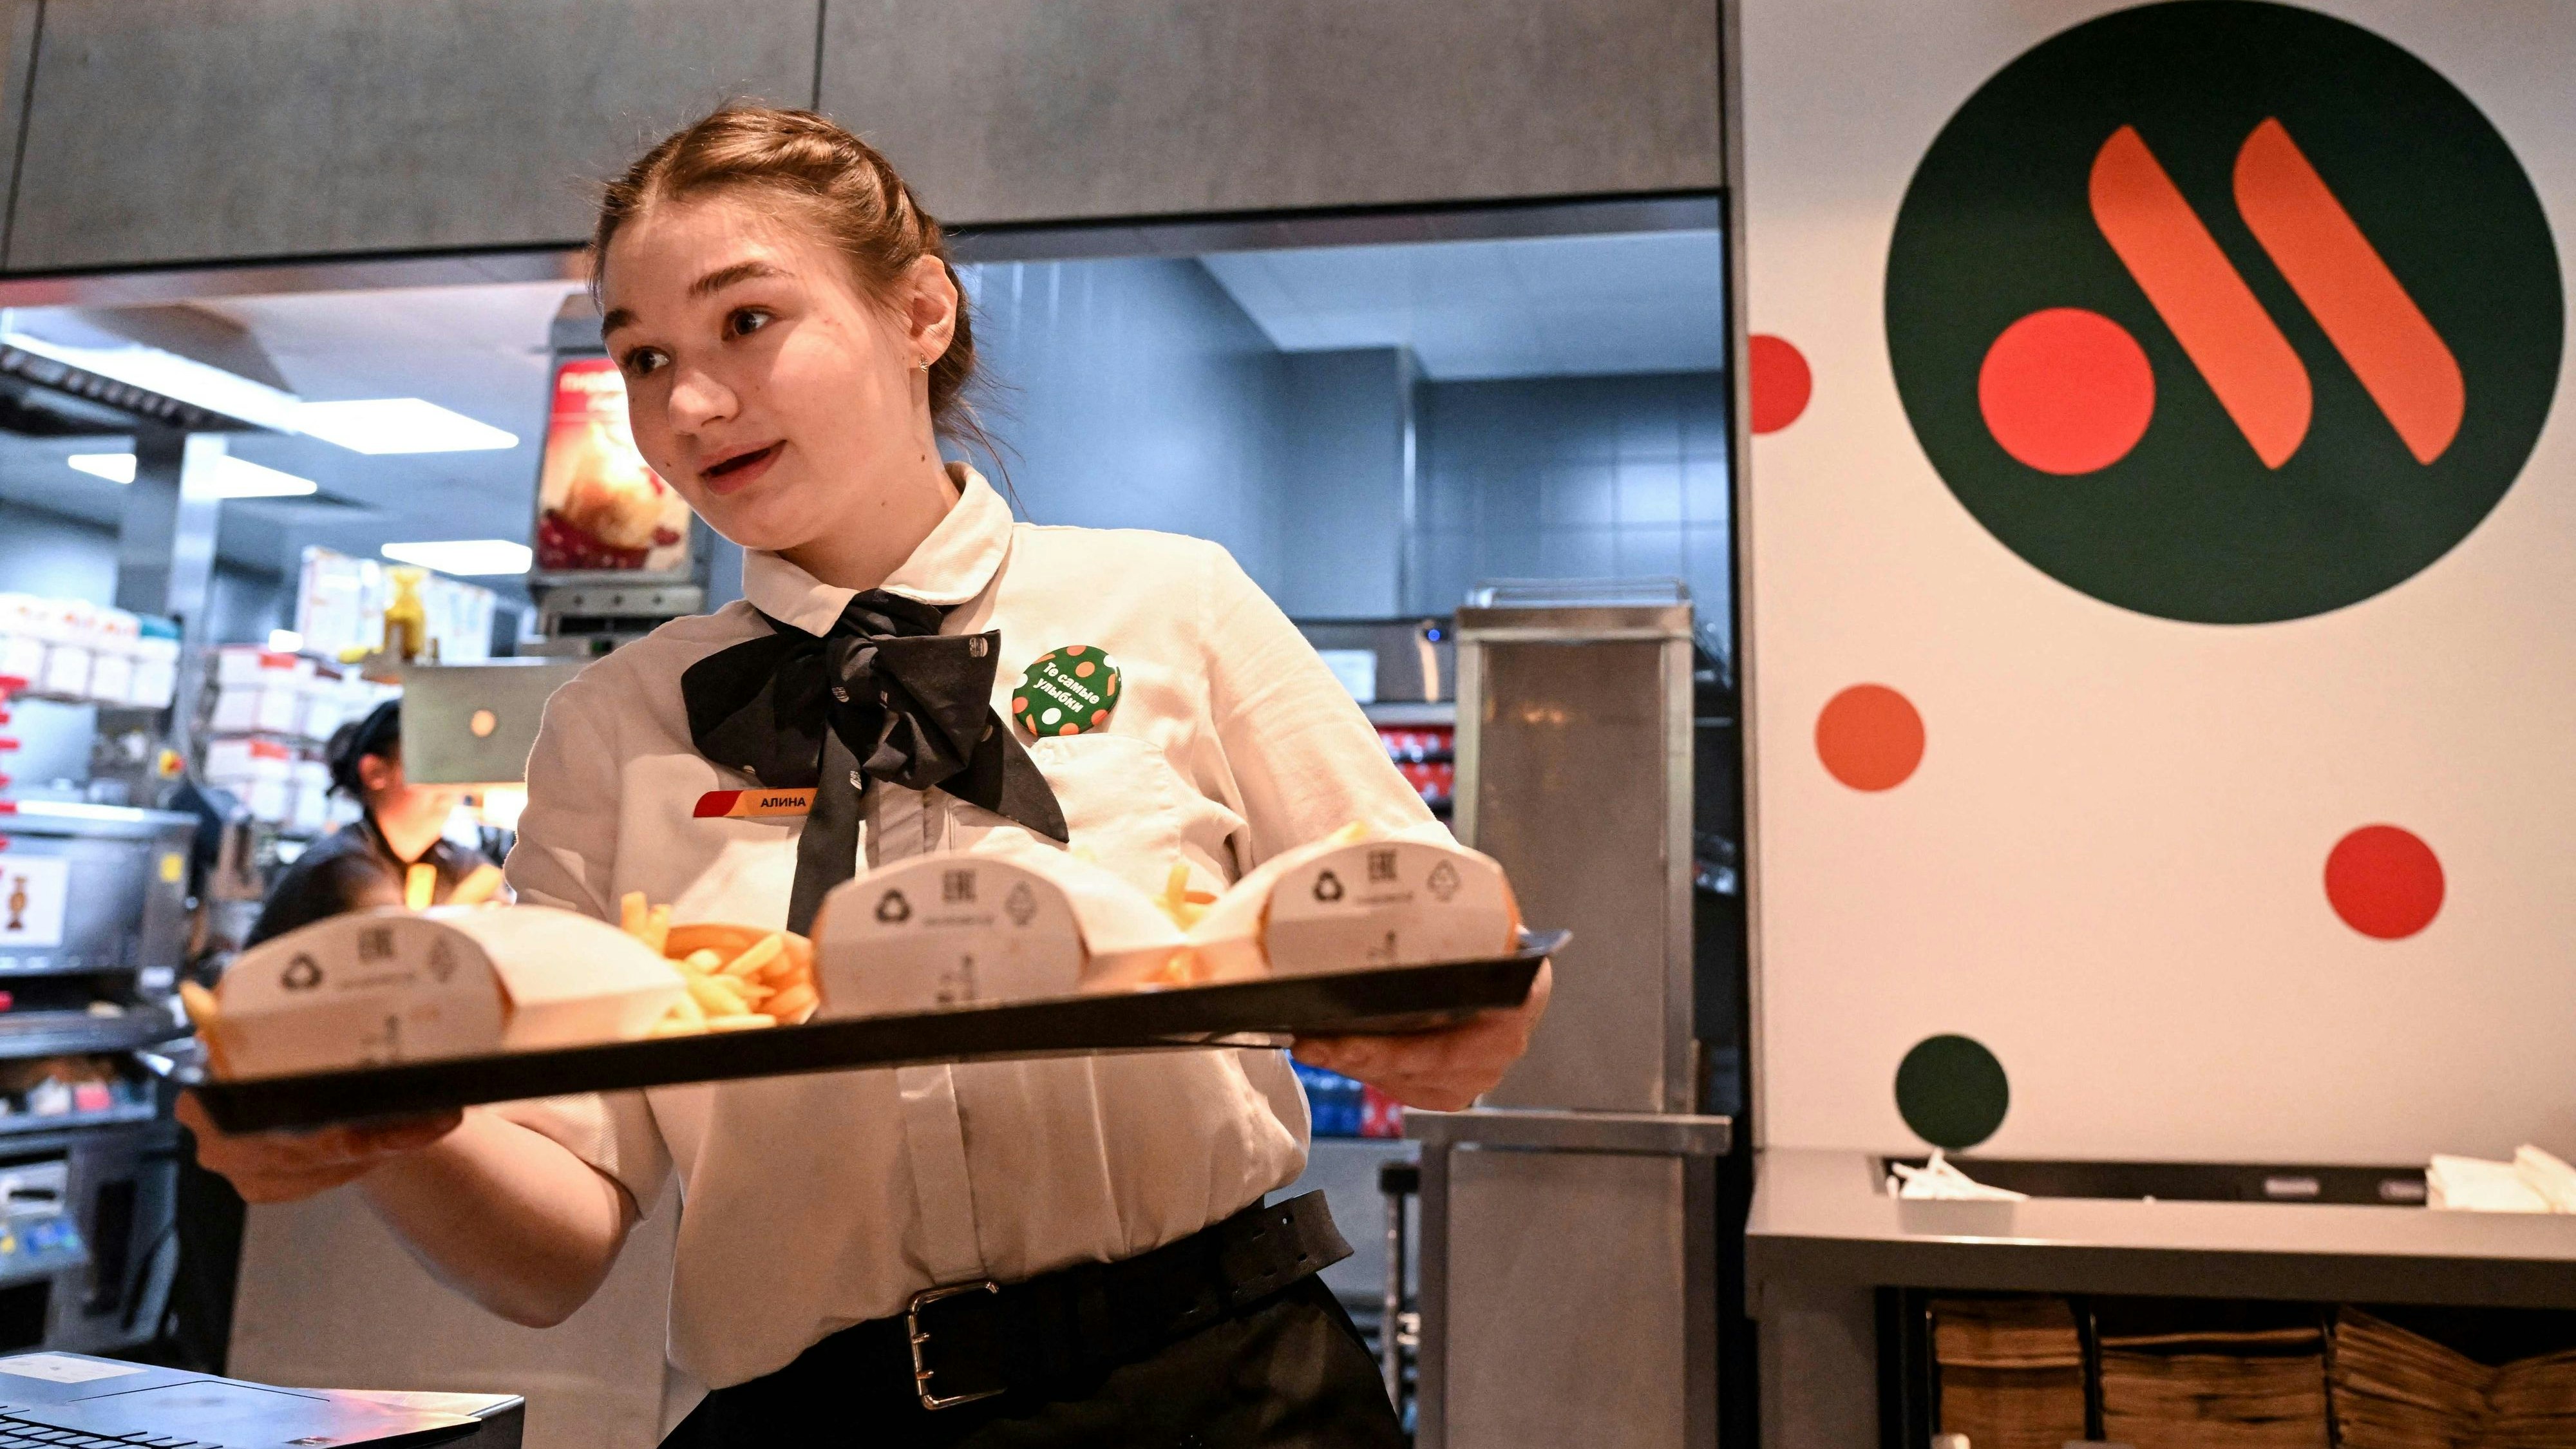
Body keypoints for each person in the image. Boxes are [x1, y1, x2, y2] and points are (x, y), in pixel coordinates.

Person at [179, 105, 1549, 1447]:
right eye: (643, 357)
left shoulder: (1174, 606)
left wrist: (1462, 1022)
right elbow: (556, 1248)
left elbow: (1429, 942)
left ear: (920, 316)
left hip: (1223, 1390)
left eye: (747, 321)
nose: (691, 403)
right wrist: (381, 1127)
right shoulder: (613, 723)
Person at [245, 699, 492, 946]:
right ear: (374, 772)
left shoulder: (449, 861)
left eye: (455, 767)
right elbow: (402, 956)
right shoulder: (342, 869)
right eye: (432, 766)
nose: (449, 785)